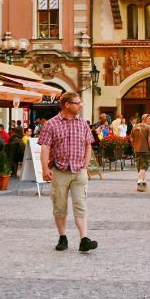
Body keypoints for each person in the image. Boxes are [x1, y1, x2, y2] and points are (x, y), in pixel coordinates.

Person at [38, 92, 97, 253]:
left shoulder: (83, 124)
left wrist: (86, 164)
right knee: (60, 206)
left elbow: (88, 144)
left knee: (81, 205)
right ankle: (62, 237)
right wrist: (45, 168)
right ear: (67, 105)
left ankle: (84, 239)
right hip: (59, 170)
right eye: (77, 103)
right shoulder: (51, 124)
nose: (80, 105)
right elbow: (45, 147)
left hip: (79, 171)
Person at [130, 114, 150, 192]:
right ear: (144, 119)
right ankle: (139, 182)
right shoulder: (148, 128)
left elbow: (131, 139)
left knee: (140, 167)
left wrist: (134, 146)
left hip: (137, 150)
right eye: (149, 118)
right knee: (144, 167)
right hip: (145, 150)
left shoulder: (135, 127)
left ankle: (144, 182)